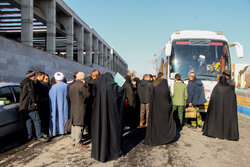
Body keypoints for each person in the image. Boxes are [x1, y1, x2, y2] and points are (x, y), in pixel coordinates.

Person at [91, 73, 126, 162]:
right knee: (113, 132)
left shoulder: (98, 86)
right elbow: (121, 91)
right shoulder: (113, 86)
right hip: (112, 114)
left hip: (99, 114)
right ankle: (113, 153)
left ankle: (98, 153)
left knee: (100, 131)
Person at [202, 71, 239, 141]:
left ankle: (216, 132)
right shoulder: (231, 86)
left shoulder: (217, 87)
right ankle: (227, 134)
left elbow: (213, 99)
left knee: (217, 119)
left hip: (218, 108)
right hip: (228, 109)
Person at [144, 72, 176, 146]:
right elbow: (169, 99)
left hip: (155, 108)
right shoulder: (166, 89)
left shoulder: (155, 87)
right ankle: (164, 137)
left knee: (156, 123)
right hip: (164, 109)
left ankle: (156, 136)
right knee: (164, 123)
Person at [19, 70, 47, 141]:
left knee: (28, 121)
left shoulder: (23, 82)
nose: (35, 77)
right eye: (34, 75)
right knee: (37, 120)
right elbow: (31, 92)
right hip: (30, 105)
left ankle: (29, 136)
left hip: (24, 105)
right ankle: (39, 136)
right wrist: (34, 101)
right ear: (31, 76)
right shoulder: (30, 82)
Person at [68, 72, 90, 148]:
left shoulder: (72, 85)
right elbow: (87, 95)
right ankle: (78, 143)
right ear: (82, 78)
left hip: (73, 107)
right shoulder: (81, 86)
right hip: (80, 107)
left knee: (74, 125)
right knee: (79, 125)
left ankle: (74, 141)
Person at [49, 72, 69, 136]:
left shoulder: (53, 87)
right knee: (65, 115)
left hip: (56, 106)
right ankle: (65, 129)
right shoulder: (66, 86)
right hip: (65, 105)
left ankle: (56, 130)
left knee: (56, 116)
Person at [84, 70, 100, 136]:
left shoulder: (90, 82)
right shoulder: (99, 82)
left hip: (90, 103)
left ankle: (90, 131)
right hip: (96, 103)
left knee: (90, 118)